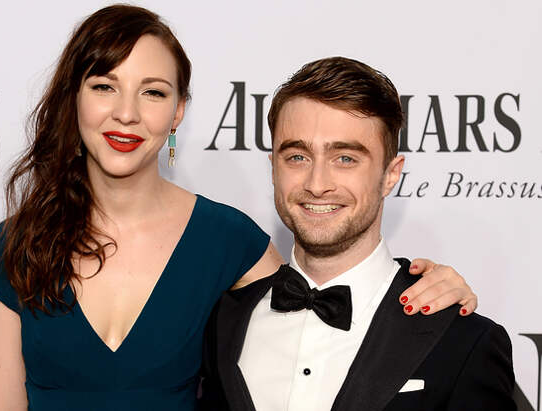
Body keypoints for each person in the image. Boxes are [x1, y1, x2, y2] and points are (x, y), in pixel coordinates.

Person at [0, 5, 478, 411]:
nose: (126, 113)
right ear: (74, 98)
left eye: (153, 92)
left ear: (178, 112)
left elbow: (322, 293)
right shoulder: (14, 247)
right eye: (104, 86)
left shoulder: (229, 242)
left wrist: (432, 285)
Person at [198, 57, 516, 411]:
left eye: (345, 158)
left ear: (391, 175)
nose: (317, 184)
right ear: (273, 167)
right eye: (298, 157)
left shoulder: (464, 341)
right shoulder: (220, 322)